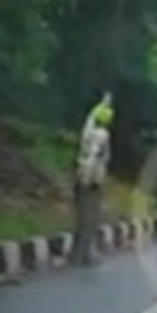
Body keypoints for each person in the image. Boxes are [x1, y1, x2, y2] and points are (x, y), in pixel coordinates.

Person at [70, 93, 113, 266]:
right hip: (92, 179)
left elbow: (91, 118)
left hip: (81, 175)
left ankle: (77, 254)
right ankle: (86, 255)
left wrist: (103, 102)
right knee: (90, 218)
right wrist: (89, 177)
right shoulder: (102, 136)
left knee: (80, 217)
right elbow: (95, 157)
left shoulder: (87, 131)